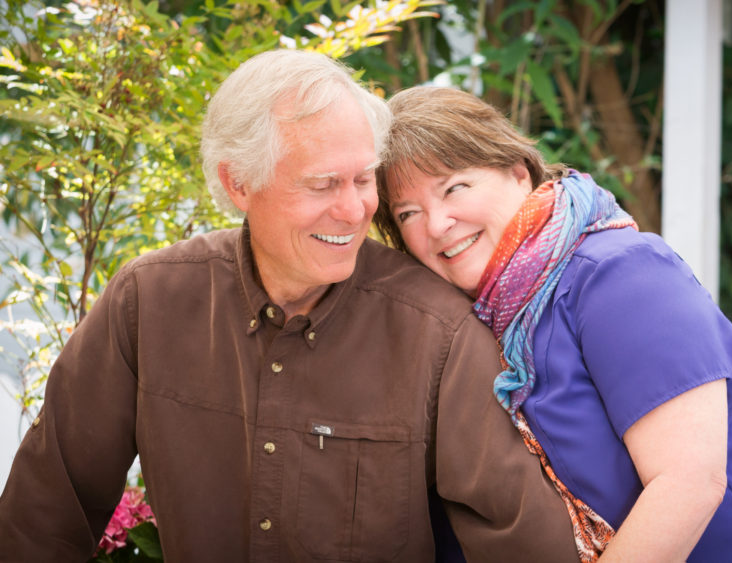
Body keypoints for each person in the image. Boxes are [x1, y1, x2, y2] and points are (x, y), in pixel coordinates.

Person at [0, 50, 578, 562]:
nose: (354, 212)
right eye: (324, 184)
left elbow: (524, 546)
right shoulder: (147, 302)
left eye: (363, 180)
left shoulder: (438, 333)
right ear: (239, 184)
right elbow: (44, 516)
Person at [374, 86, 732, 562]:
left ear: (518, 173)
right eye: (408, 213)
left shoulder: (619, 274)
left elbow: (689, 482)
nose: (437, 224)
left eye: (454, 187)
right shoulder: (471, 320)